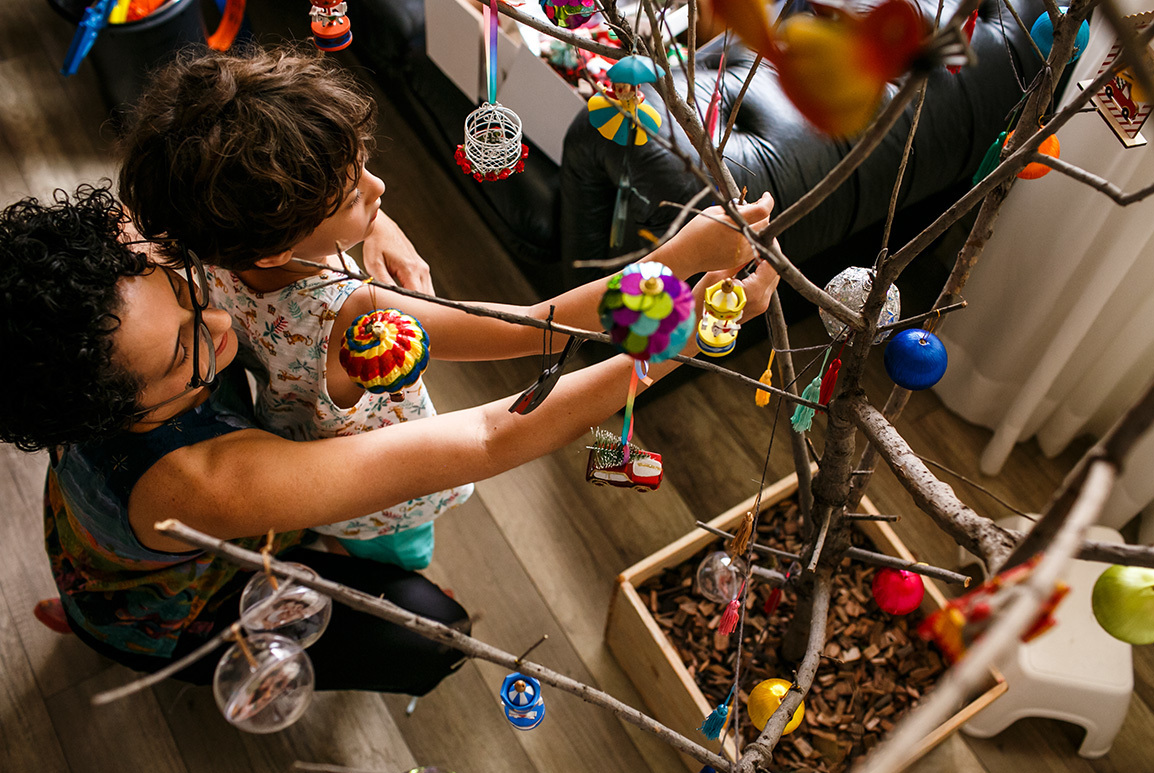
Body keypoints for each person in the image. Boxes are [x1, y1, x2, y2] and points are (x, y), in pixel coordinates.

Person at [0, 184, 777, 691]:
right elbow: (482, 436)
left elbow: (303, 196)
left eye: (179, 282)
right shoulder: (199, 484)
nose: (216, 321)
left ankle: (88, 605)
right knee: (434, 634)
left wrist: (379, 226)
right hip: (162, 599)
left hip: (99, 534)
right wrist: (691, 330)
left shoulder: (118, 276)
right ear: (109, 410)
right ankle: (114, 637)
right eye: (181, 353)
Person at [117, 44, 776, 569]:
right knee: (402, 554)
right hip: (380, 494)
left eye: (362, 165)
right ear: (274, 244)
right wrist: (682, 257)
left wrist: (370, 223)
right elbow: (538, 329)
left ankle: (338, 541)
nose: (380, 187)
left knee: (341, 524)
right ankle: (379, 563)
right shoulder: (349, 311)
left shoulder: (200, 243)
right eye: (353, 195)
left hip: (292, 428)